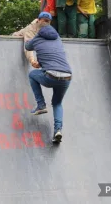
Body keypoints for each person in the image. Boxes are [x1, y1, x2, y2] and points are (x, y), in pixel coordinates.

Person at [24, 12, 72, 143]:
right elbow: (52, 53)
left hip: (50, 75)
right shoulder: (57, 38)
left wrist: (29, 35)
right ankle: (58, 130)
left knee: (33, 75)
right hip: (67, 76)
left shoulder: (37, 38)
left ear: (38, 21)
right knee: (57, 103)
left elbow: (28, 46)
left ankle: (41, 105)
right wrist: (43, 62)